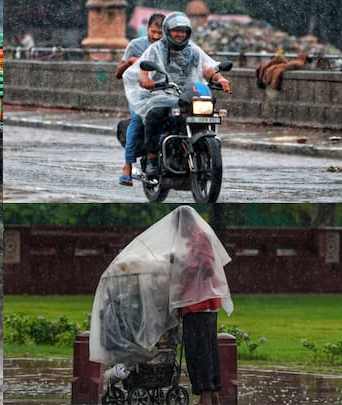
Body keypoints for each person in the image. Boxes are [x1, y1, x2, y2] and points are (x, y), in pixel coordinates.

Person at [124, 12, 231, 177]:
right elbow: (143, 70)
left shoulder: (192, 50)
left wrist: (220, 78)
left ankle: (205, 156)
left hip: (188, 94)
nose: (180, 34)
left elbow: (206, 67)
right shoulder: (156, 48)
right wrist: (146, 81)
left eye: (184, 31)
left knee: (208, 111)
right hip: (162, 93)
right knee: (154, 115)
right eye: (176, 30)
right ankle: (152, 160)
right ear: (168, 30)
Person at [169, 206, 233, 405]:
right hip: (195, 304)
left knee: (200, 352)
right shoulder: (191, 239)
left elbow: (206, 267)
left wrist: (180, 265)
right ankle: (212, 394)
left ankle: (205, 396)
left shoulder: (200, 237)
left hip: (200, 304)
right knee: (208, 350)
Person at [114, 13, 165, 186]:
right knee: (137, 119)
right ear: (148, 29)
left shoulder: (171, 48)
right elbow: (118, 74)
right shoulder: (135, 45)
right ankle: (127, 165)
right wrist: (130, 62)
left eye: (161, 33)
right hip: (138, 94)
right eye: (153, 32)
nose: (156, 36)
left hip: (163, 92)